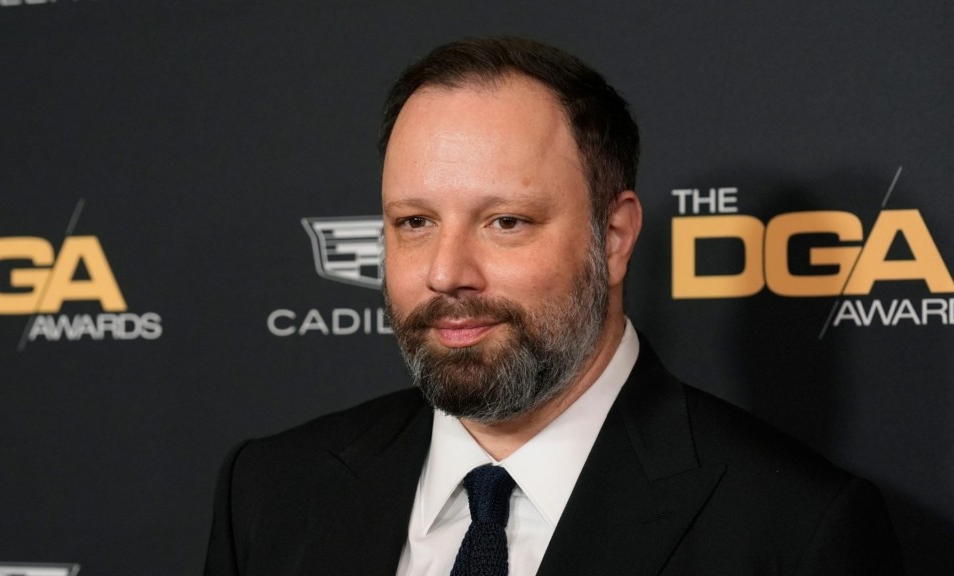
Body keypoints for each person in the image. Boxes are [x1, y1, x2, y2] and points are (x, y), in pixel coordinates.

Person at [204, 36, 902, 575]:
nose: (446, 273)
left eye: (505, 222)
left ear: (615, 237)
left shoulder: (793, 532)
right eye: (414, 222)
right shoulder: (270, 493)